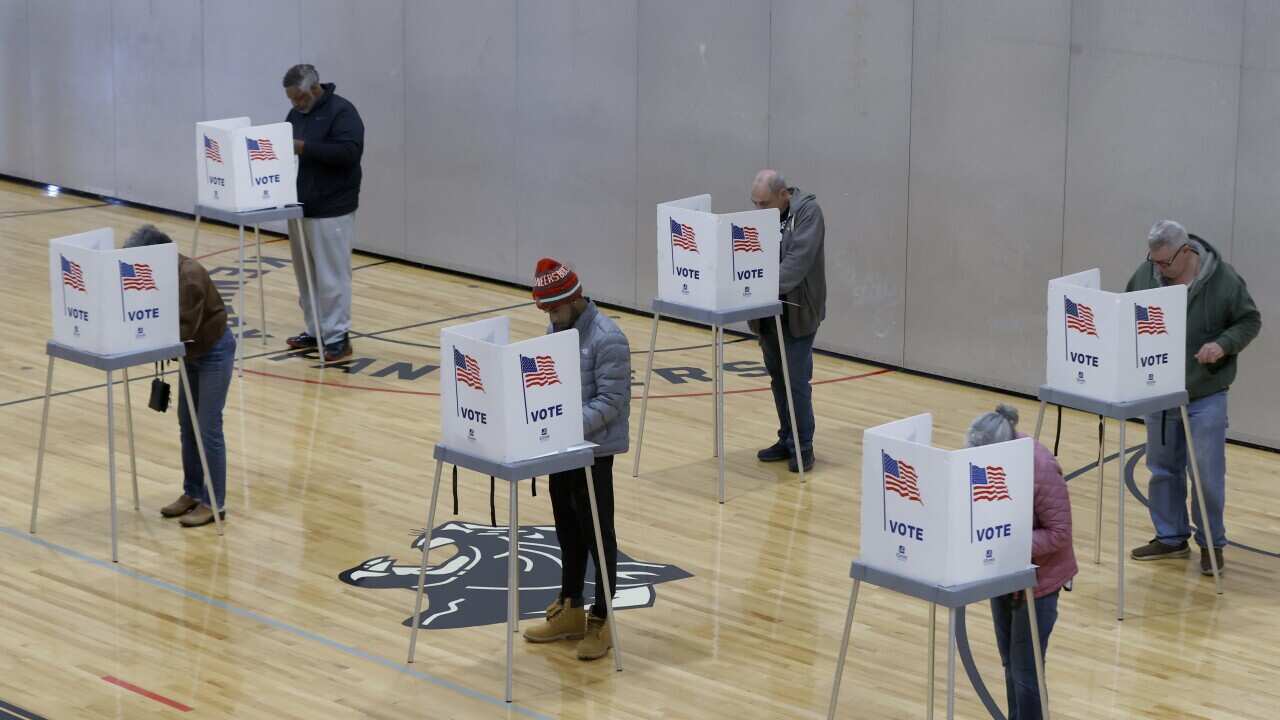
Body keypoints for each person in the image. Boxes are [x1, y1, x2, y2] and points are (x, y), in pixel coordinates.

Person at [1127, 220, 1261, 575]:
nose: (1159, 269)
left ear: (1186, 252)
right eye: (1153, 261)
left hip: (1205, 393)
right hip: (1159, 391)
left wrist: (1223, 345)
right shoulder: (1146, 276)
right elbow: (1126, 316)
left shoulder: (1223, 281)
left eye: (1165, 262)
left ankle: (1212, 543)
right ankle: (1170, 536)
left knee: (1206, 476)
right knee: (1162, 469)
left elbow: (1249, 321)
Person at [521, 258, 630, 661]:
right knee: (567, 529)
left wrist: (563, 423)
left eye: (553, 309)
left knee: (598, 536)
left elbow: (612, 402)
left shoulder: (608, 339)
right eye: (544, 310)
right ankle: (571, 607)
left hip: (594, 453)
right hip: (562, 448)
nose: (548, 317)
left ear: (573, 299)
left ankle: (602, 619)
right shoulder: (559, 327)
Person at [968, 404, 1076, 720]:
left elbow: (1060, 534)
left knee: (1025, 670)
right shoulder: (982, 461)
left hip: (1039, 583)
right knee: (1009, 663)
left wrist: (1009, 544)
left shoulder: (1039, 467)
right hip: (1001, 575)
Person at [124, 225, 234, 528]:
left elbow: (182, 331)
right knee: (187, 424)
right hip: (191, 356)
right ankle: (193, 492)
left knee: (208, 426)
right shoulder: (158, 274)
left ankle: (214, 503)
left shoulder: (189, 276)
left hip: (213, 353)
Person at [282, 63, 365, 362]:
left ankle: (338, 338)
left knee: (332, 276)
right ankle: (316, 330)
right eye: (291, 100)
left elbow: (349, 153)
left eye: (299, 98)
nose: (295, 105)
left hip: (332, 208)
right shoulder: (295, 115)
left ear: (315, 89)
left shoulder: (343, 113)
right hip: (300, 207)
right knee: (306, 275)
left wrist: (304, 148)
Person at [748, 170, 826, 473]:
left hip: (798, 311)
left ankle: (803, 447)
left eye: (764, 204)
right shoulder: (763, 215)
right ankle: (787, 438)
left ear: (784, 195)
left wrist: (755, 283)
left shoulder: (809, 214)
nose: (758, 211)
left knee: (796, 381)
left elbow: (796, 264)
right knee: (778, 379)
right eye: (754, 204)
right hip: (767, 312)